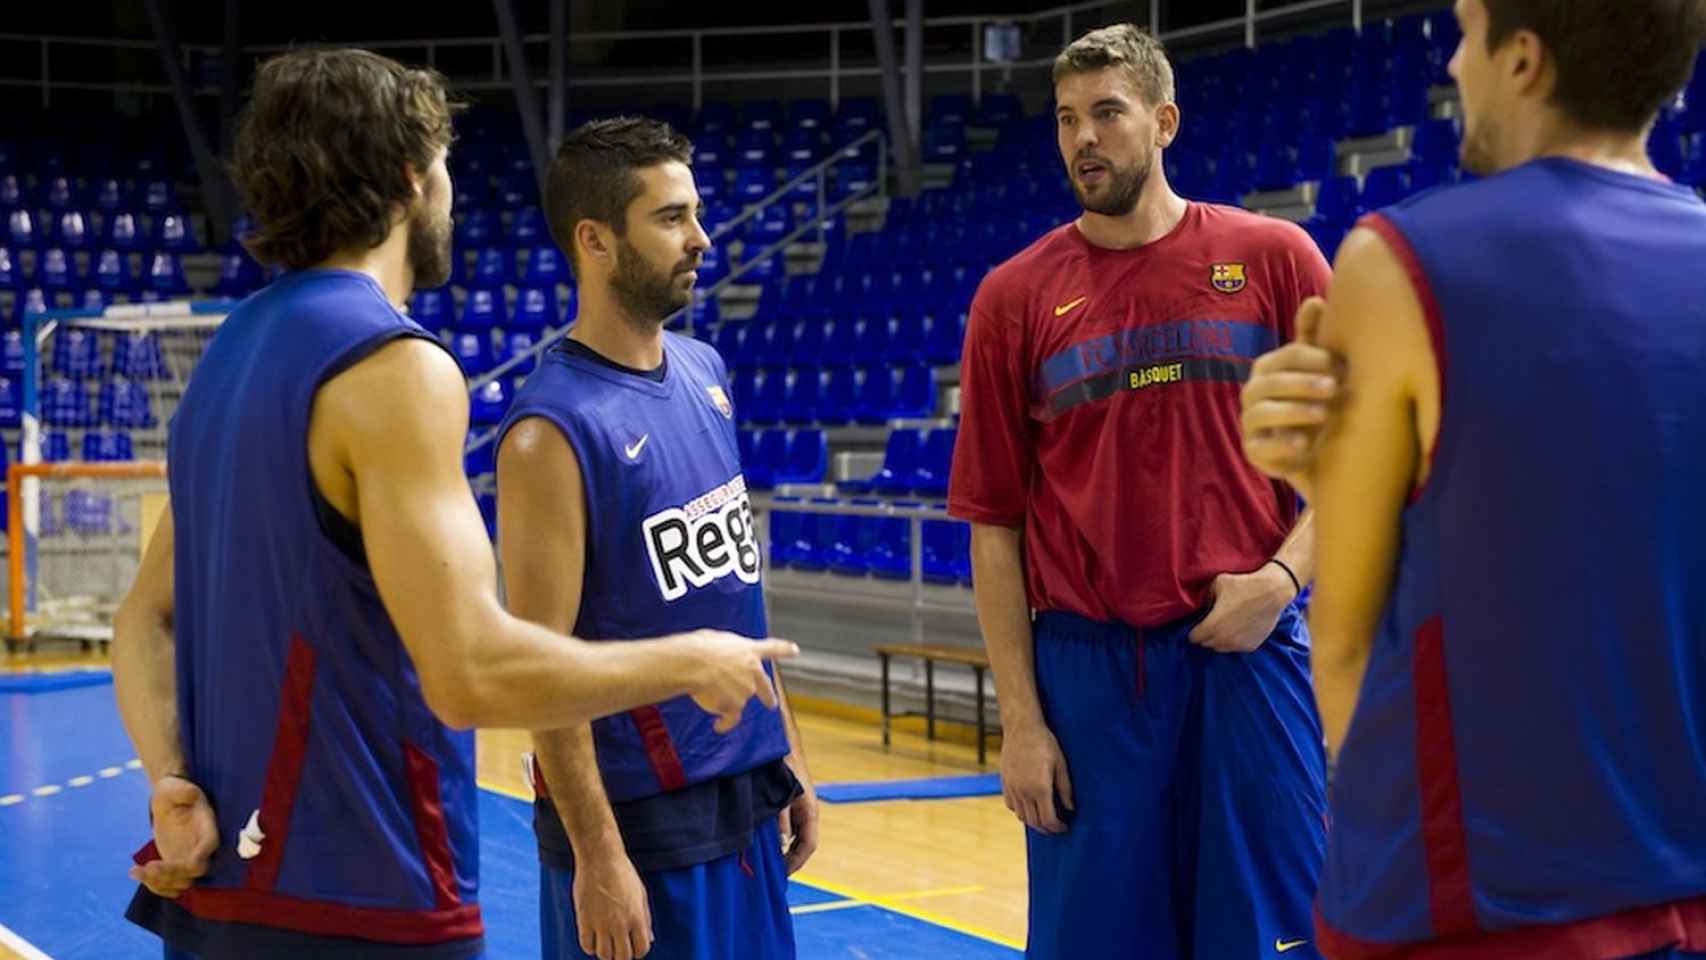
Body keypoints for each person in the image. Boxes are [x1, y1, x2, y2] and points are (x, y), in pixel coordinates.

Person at [111, 49, 796, 960]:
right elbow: (470, 674)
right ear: (407, 179)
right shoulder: (396, 366)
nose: (450, 191)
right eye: (443, 167)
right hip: (370, 894)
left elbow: (144, 624)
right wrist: (689, 661)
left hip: (224, 899)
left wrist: (171, 779)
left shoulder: (227, 358)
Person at [1240, 1, 1706, 957]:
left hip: (1474, 900)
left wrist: (1326, 477)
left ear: (1524, 60)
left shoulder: (1404, 260)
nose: (1453, 64)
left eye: (1466, 33)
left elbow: (1345, 645)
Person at [947, 22, 1331, 960]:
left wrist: (1282, 581)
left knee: (1276, 935)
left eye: (1108, 114)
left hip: (1249, 657)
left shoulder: (1276, 259)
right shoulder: (1014, 297)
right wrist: (1023, 723)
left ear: (1163, 121)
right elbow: (993, 525)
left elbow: (1362, 462)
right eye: (1067, 118)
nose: (1084, 138)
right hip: (1087, 676)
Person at [493, 117, 816, 960]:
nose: (701, 239)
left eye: (696, 213)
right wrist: (598, 855)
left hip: (744, 793)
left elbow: (740, 595)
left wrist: (789, 757)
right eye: (671, 218)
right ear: (594, 240)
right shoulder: (549, 432)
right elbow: (541, 671)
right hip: (640, 825)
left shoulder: (706, 372)